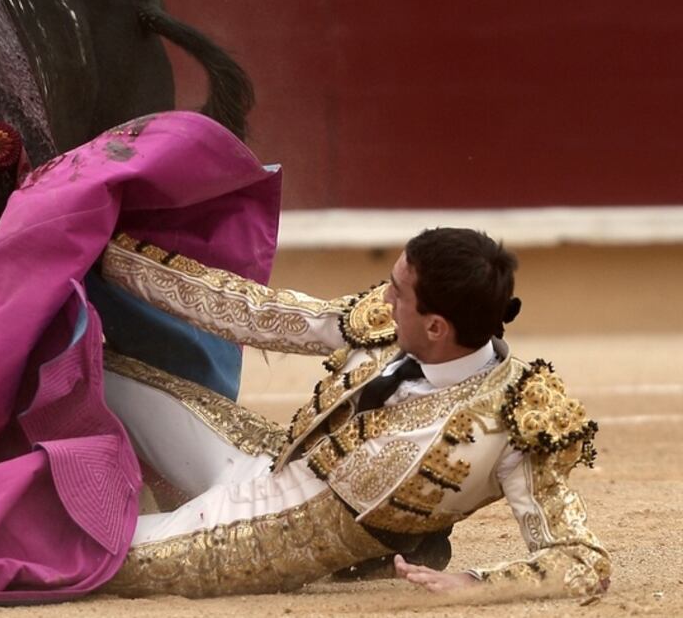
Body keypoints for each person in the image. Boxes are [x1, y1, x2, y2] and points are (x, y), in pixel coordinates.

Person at [94, 227, 610, 598]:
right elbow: (256, 313)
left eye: (397, 292)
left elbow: (581, 559)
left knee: (83, 557)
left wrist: (476, 583)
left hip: (258, 541)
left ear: (435, 328)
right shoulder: (386, 323)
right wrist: (105, 252)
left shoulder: (516, 419)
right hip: (257, 459)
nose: (382, 298)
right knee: (92, 370)